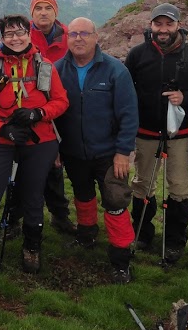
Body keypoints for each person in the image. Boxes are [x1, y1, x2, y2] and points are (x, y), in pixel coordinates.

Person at [0, 15, 69, 273]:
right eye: (9, 34)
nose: (15, 38)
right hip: (2, 139)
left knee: (33, 196)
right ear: (3, 39)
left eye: (20, 32)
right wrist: (2, 128)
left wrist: (37, 114)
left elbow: (61, 101)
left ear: (29, 34)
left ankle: (32, 247)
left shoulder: (44, 66)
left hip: (40, 139)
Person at [54, 18, 139, 284]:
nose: (78, 39)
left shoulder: (115, 70)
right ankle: (86, 235)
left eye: (84, 34)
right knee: (83, 195)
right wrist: (55, 149)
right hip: (73, 151)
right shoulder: (57, 70)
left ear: (95, 37)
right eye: (73, 34)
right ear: (67, 38)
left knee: (115, 201)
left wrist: (123, 152)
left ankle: (121, 258)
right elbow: (53, 115)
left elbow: (128, 115)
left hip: (109, 153)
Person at [124, 3, 188, 263]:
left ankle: (174, 241)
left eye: (168, 24)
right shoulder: (137, 54)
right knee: (142, 184)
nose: (163, 29)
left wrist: (185, 97)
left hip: (181, 133)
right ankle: (143, 234)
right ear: (150, 25)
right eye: (158, 24)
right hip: (146, 131)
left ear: (178, 25)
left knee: (179, 187)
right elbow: (127, 89)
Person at [27, 0, 76, 235]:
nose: (43, 13)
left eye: (48, 8)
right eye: (38, 8)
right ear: (32, 13)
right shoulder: (22, 36)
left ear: (55, 12)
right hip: (29, 111)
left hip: (61, 108)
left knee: (56, 165)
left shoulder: (69, 38)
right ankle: (18, 216)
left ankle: (59, 215)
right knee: (25, 165)